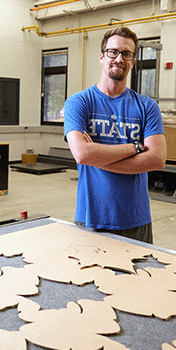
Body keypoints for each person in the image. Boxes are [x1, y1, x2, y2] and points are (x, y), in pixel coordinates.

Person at [64, 27, 166, 244]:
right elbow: (82, 154)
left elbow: (157, 159)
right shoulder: (79, 102)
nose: (119, 58)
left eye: (126, 54)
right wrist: (135, 148)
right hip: (91, 217)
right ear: (102, 56)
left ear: (133, 61)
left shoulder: (148, 107)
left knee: (138, 277)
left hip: (136, 220)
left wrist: (97, 157)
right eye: (113, 52)